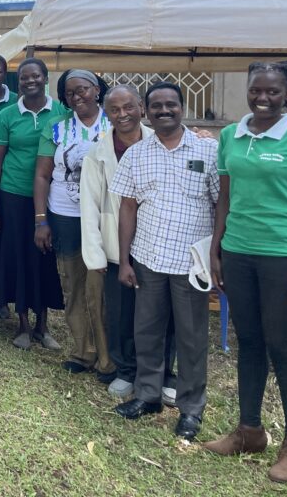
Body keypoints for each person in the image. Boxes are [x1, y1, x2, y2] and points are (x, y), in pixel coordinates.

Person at [205, 61, 287, 483]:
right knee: (251, 342)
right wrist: (217, 247)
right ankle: (249, 430)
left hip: (284, 256)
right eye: (256, 90)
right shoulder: (230, 135)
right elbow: (225, 197)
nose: (262, 98)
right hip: (239, 252)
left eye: (272, 92)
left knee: (285, 347)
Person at [110, 82, 219, 442]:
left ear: (182, 107)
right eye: (156, 106)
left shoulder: (209, 150)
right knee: (148, 331)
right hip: (148, 258)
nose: (163, 111)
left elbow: (222, 207)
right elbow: (127, 208)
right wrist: (124, 260)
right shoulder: (137, 154)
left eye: (170, 104)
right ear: (146, 110)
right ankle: (147, 396)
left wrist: (218, 255)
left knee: (190, 338)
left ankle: (190, 409)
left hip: (191, 263)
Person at [80, 84, 177, 403]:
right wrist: (95, 254)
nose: (122, 115)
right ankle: (127, 370)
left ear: (141, 108)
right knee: (121, 312)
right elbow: (89, 205)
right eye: (114, 110)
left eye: (129, 107)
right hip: (113, 245)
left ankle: (165, 374)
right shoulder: (98, 152)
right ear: (106, 113)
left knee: (162, 312)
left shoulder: (160, 143)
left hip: (157, 243)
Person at [33, 69, 115, 380]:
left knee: (100, 290)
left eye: (82, 89)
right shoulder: (57, 129)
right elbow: (41, 175)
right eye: (69, 93)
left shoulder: (115, 124)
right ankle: (83, 352)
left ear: (96, 90)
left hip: (103, 219)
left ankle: (107, 360)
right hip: (65, 217)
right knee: (73, 287)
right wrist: (41, 220)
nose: (76, 96)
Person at [0, 58, 64, 348]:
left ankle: (44, 325)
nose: (31, 81)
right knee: (18, 256)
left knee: (44, 258)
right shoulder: (7, 115)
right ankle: (22, 324)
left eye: (36, 76)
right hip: (13, 194)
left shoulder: (61, 112)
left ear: (45, 78)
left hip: (51, 196)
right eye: (25, 77)